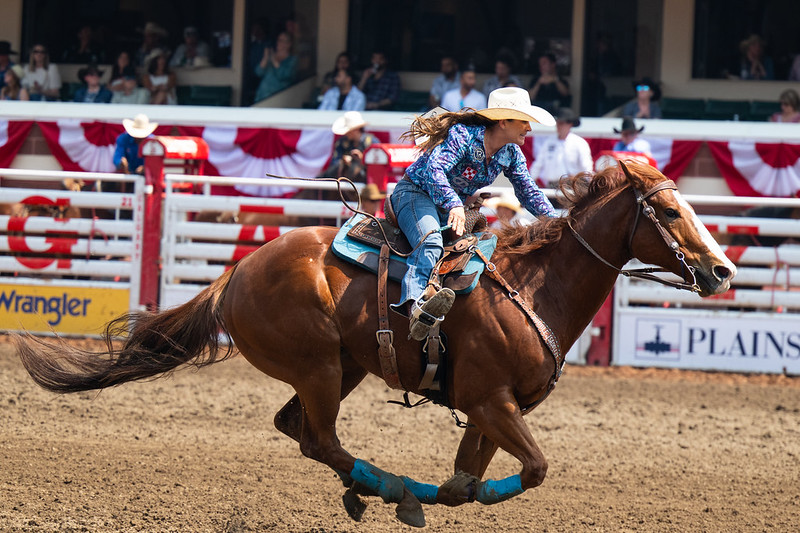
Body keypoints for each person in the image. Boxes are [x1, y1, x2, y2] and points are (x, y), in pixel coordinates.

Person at [389, 87, 557, 340]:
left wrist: (555, 222)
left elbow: (528, 191)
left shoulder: (510, 154)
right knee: (431, 241)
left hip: (448, 205)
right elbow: (435, 170)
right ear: (504, 121)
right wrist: (455, 204)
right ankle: (415, 306)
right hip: (415, 194)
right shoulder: (462, 135)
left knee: (478, 253)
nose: (529, 128)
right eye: (523, 121)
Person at [529, 108, 592, 188]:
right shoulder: (549, 142)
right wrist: (530, 181)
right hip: (552, 185)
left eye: (561, 123)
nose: (558, 126)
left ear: (570, 124)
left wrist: (588, 184)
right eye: (557, 123)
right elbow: (538, 164)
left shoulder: (579, 143)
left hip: (573, 185)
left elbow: (586, 166)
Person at [321, 111, 378, 182]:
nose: (346, 133)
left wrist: (362, 159)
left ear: (356, 129)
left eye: (348, 131)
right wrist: (343, 162)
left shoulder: (372, 143)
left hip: (368, 182)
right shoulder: (341, 143)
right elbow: (334, 164)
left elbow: (377, 167)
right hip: (344, 181)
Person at [254, 31, 297, 102]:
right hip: (261, 97)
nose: (278, 43)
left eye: (282, 41)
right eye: (278, 40)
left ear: (289, 44)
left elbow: (285, 75)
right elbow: (258, 72)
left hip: (278, 99)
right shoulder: (271, 56)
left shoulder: (292, 60)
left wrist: (274, 60)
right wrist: (265, 57)